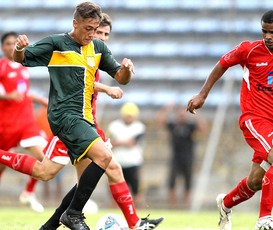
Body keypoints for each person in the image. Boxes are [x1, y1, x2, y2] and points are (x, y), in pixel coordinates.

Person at [0, 9, 163, 230]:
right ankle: (75, 215)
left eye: (98, 30)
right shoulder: (56, 44)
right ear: (75, 23)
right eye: (90, 29)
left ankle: (53, 224)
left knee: (52, 173)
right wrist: (19, 48)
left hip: (86, 120)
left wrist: (125, 69)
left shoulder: (98, 49)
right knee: (105, 159)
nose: (94, 35)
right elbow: (21, 59)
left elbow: (120, 78)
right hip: (65, 117)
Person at [187, 10, 273, 230]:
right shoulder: (249, 50)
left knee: (256, 182)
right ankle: (264, 219)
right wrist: (202, 95)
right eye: (264, 31)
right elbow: (221, 64)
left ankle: (225, 203)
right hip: (255, 119)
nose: (268, 36)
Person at [0, 31, 48, 212]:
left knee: (45, 158)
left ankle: (28, 192)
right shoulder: (1, 67)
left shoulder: (22, 66)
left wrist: (40, 100)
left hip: (26, 122)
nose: (12, 47)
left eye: (14, 43)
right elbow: (12, 93)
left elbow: (23, 93)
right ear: (2, 47)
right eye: (8, 44)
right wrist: (6, 96)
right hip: (5, 125)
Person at [156, 103, 207, 209]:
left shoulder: (190, 126)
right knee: (172, 182)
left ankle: (186, 206)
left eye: (183, 113)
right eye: (180, 113)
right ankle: (172, 206)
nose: (181, 115)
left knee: (188, 182)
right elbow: (160, 120)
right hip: (175, 157)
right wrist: (166, 109)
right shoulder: (173, 125)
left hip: (188, 158)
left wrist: (196, 114)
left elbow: (203, 128)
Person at [107, 102, 146, 207]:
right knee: (115, 191)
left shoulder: (139, 127)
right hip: (117, 163)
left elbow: (132, 143)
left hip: (133, 162)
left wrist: (118, 142)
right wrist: (124, 142)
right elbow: (109, 143)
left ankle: (140, 215)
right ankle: (113, 213)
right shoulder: (114, 126)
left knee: (136, 191)